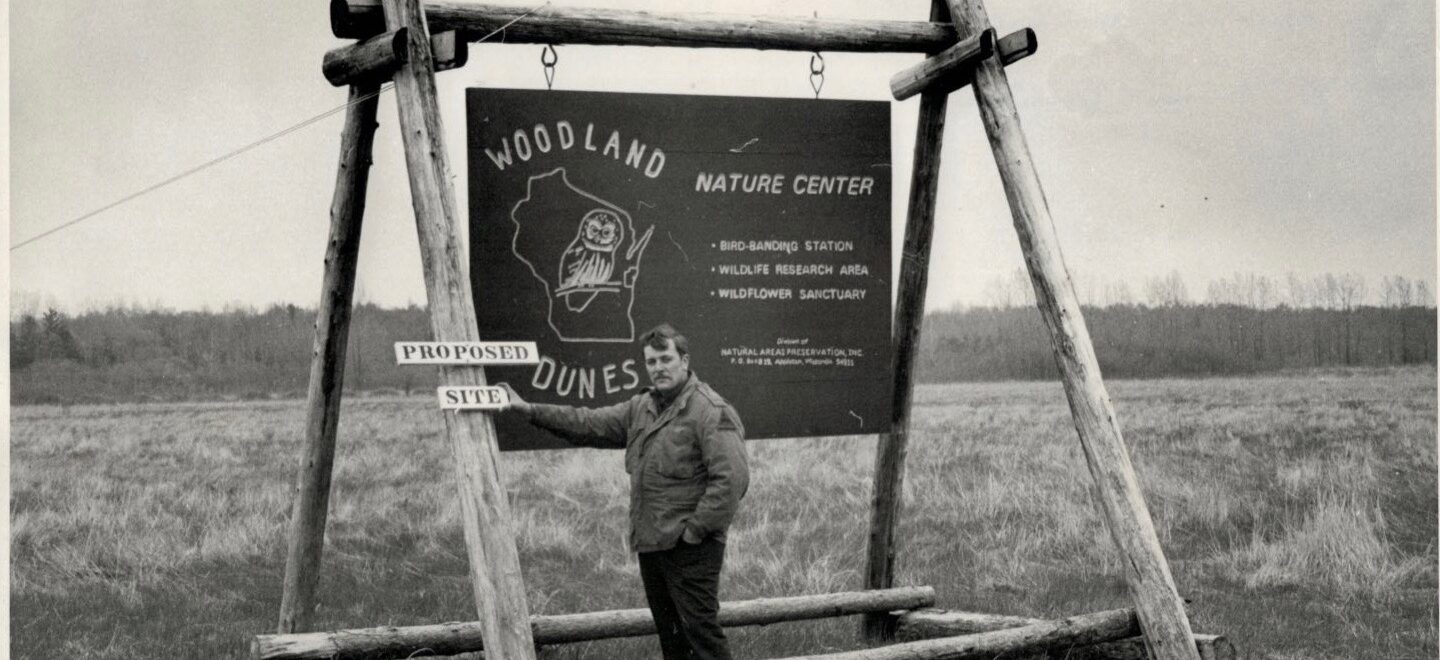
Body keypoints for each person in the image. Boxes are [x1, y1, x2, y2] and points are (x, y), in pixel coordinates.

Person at [499, 323, 749, 660]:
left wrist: (694, 532)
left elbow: (732, 480)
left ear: (684, 360)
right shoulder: (641, 407)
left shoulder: (710, 410)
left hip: (691, 548)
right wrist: (528, 410)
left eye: (665, 359)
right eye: (651, 362)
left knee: (701, 637)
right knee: (673, 640)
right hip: (652, 543)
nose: (658, 368)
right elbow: (586, 422)